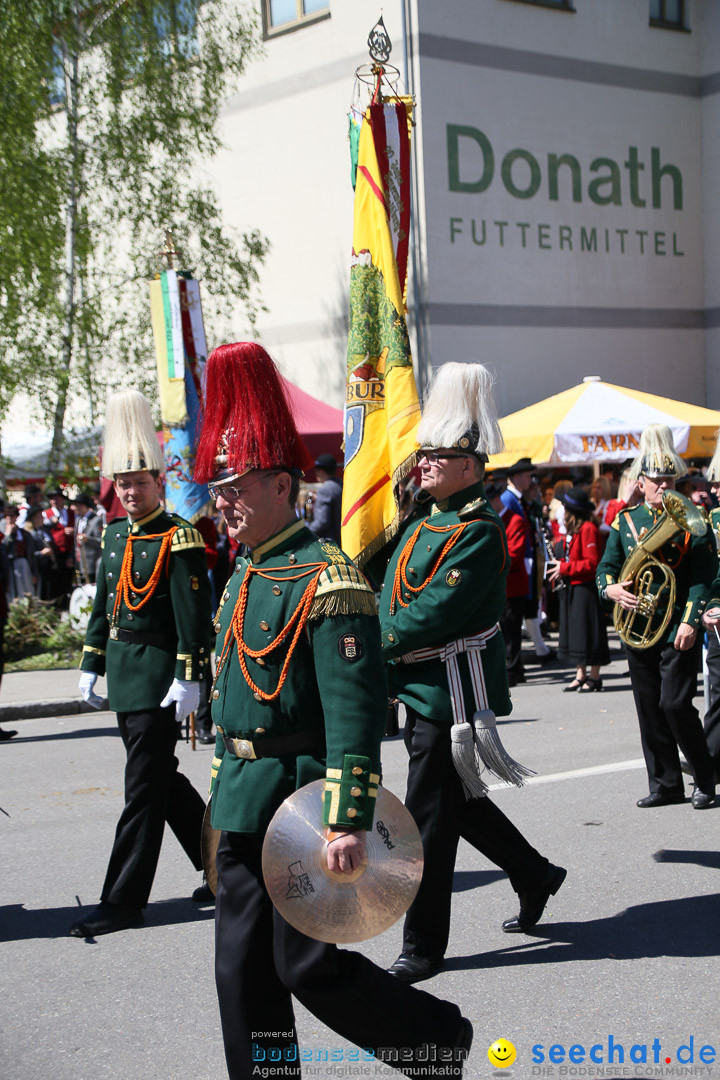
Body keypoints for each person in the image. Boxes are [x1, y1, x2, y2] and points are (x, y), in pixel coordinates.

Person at [194, 342, 472, 1080]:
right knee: (240, 974)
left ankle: (436, 1041)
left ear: (281, 485)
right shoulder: (245, 573)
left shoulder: (329, 579)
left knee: (307, 966)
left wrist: (347, 818)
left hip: (302, 805)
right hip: (245, 805)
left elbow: (354, 717)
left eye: (235, 485)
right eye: (218, 486)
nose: (221, 500)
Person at [378, 362, 566, 985]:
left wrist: (380, 642)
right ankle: (535, 873)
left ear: (470, 465)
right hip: (418, 682)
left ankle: (424, 944)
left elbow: (435, 611)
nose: (423, 463)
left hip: (447, 691)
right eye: (423, 454)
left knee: (429, 819)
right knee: (454, 802)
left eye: (436, 455)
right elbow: (393, 591)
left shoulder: (477, 531)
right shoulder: (422, 520)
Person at [71, 390, 212, 937]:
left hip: (159, 679)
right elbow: (104, 608)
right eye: (123, 484)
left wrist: (189, 677)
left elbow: (191, 618)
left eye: (141, 482)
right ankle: (224, 863)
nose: (131, 492)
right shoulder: (112, 536)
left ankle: (123, 899)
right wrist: (90, 664)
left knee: (142, 790)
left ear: (159, 481)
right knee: (163, 781)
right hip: (126, 675)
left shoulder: (179, 537)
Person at [596, 423, 717, 810]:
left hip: (675, 626)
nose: (664, 486)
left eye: (669, 479)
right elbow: (606, 568)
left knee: (675, 705)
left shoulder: (692, 521)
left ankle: (704, 777)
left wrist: (690, 620)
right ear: (641, 483)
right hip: (639, 629)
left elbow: (703, 576)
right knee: (648, 708)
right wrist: (611, 589)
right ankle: (665, 783)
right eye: (657, 480)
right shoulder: (626, 521)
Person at [546, 486, 609, 692]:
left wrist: (564, 567)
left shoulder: (589, 528)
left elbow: (592, 563)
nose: (562, 510)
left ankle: (595, 676)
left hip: (586, 588)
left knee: (590, 632)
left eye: (565, 506)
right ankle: (580, 674)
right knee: (578, 633)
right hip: (574, 586)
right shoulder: (577, 529)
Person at [307, 452, 343, 543]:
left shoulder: (324, 490)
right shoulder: (341, 485)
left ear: (321, 471)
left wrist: (305, 533)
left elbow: (321, 522)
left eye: (316, 470)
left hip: (330, 544)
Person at [72, 492, 103, 584]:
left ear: (83, 506)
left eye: (77, 505)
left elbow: (101, 541)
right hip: (79, 561)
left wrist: (88, 539)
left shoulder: (96, 520)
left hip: (91, 562)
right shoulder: (78, 519)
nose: (74, 508)